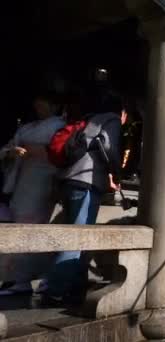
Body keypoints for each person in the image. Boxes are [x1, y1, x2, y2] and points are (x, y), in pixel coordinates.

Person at [44, 88, 125, 302]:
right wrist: (117, 171)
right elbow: (109, 147)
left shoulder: (89, 119)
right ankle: (55, 290)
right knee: (77, 237)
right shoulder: (112, 119)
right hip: (87, 181)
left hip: (69, 180)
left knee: (77, 233)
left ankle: (76, 286)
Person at [0, 94, 65, 296]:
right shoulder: (27, 127)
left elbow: (59, 153)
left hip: (42, 182)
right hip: (22, 181)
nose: (39, 109)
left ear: (54, 105)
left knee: (31, 227)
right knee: (16, 225)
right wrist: (10, 152)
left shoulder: (59, 126)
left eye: (42, 104)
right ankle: (13, 278)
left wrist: (36, 152)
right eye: (36, 105)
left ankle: (22, 279)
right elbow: (7, 147)